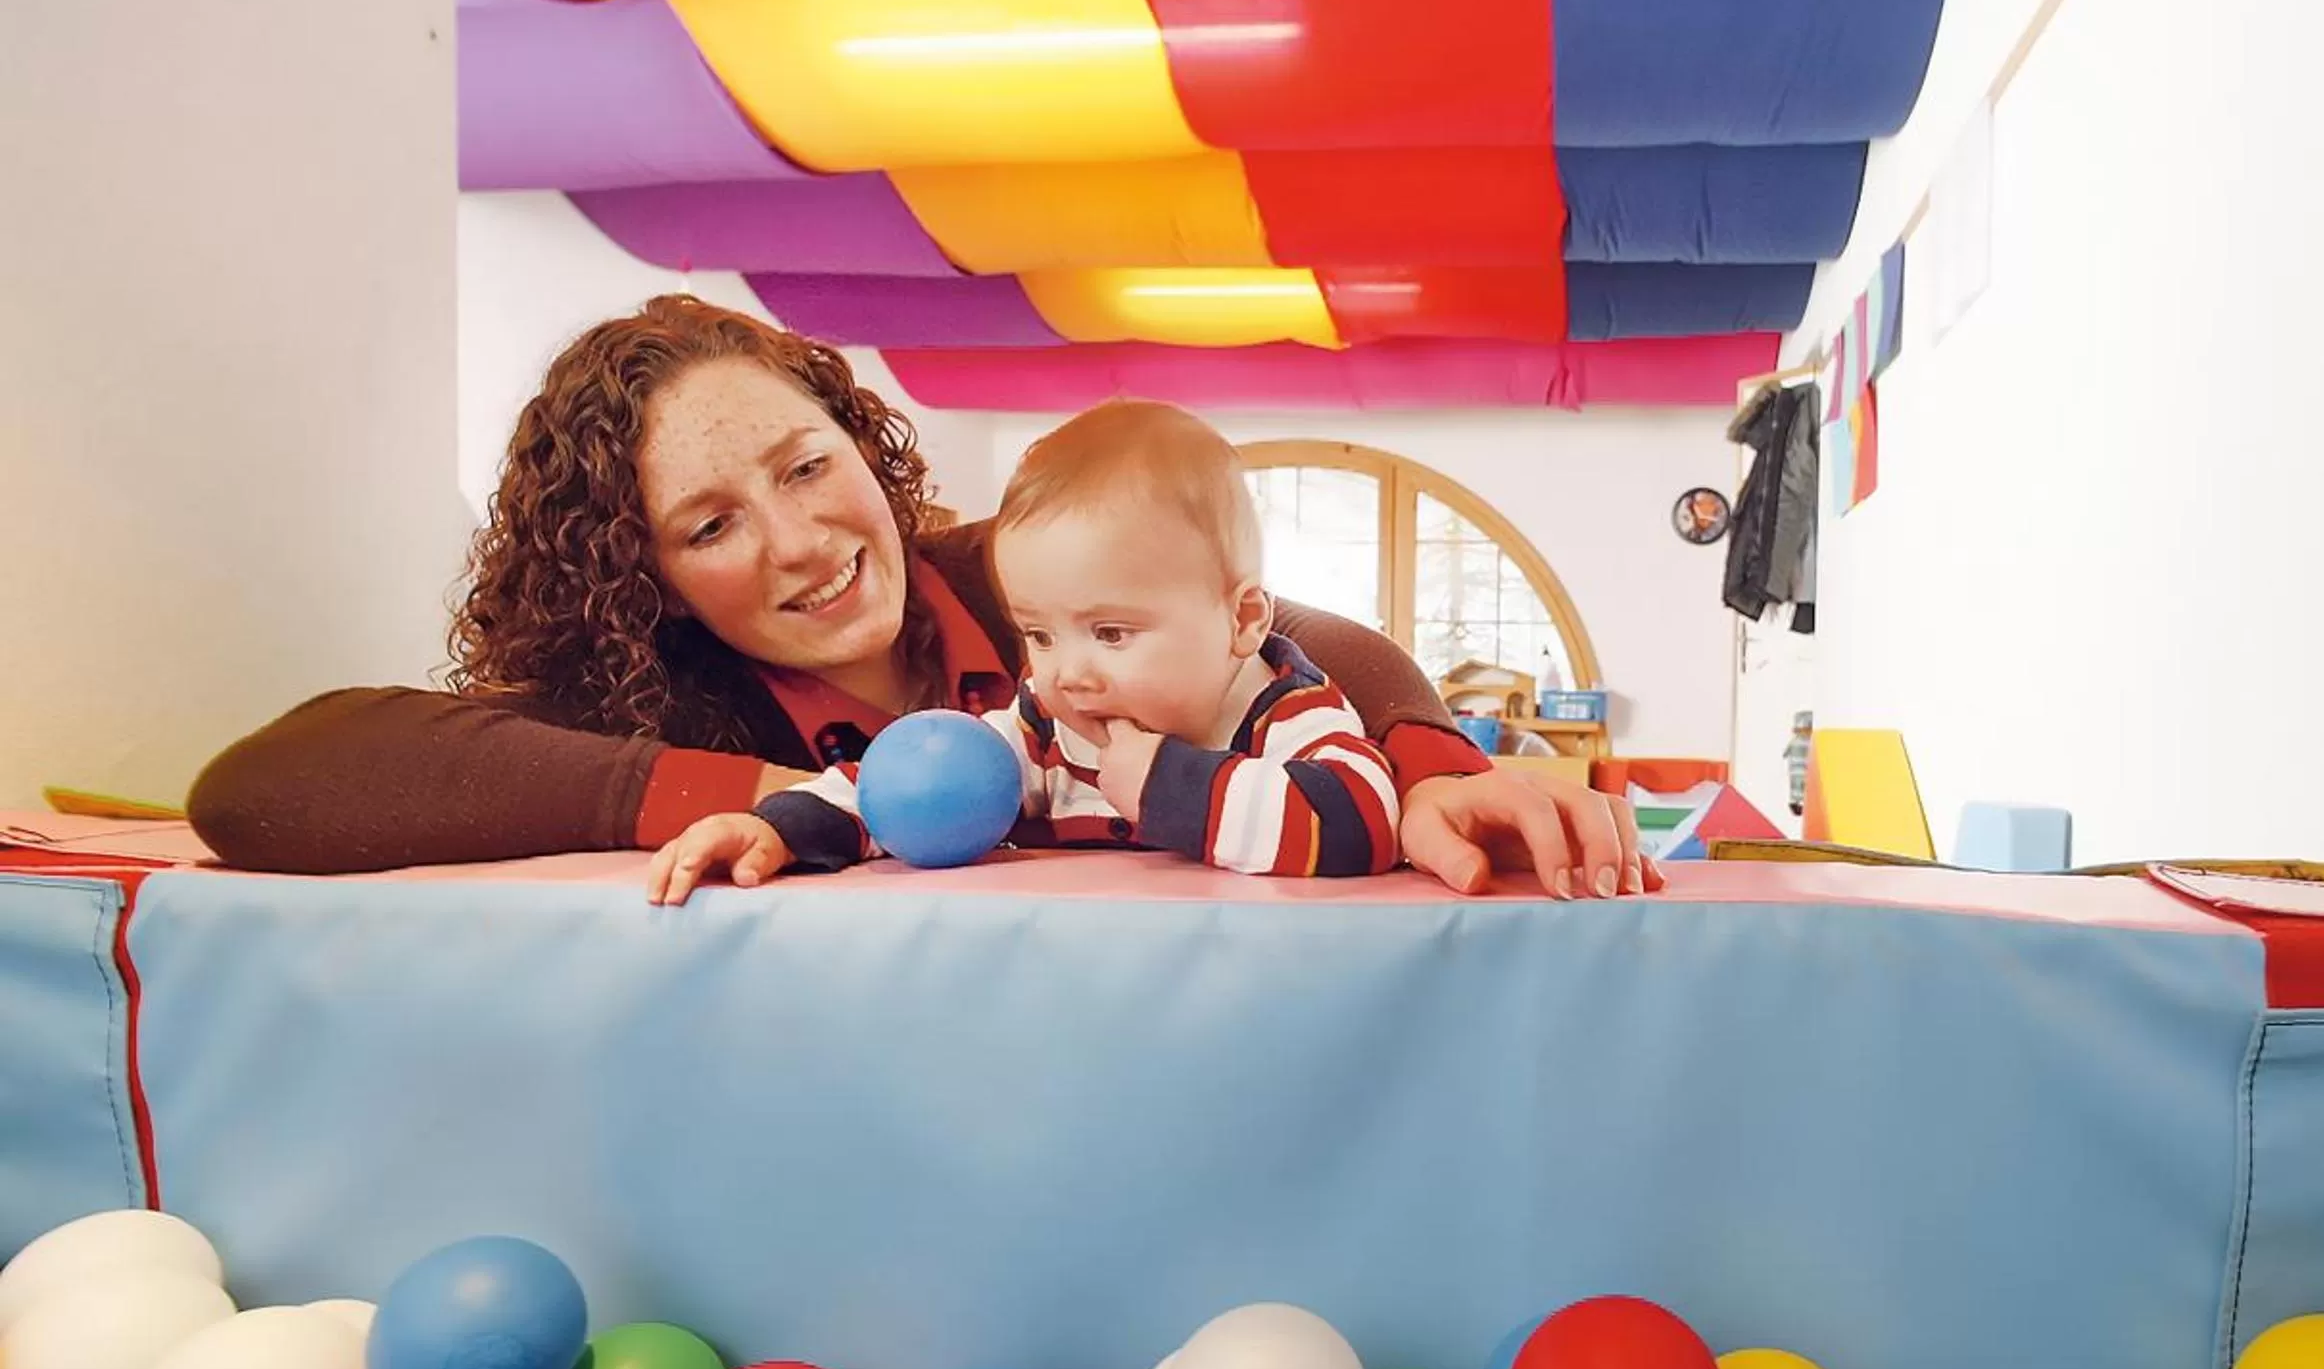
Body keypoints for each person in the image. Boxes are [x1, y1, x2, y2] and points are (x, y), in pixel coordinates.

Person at [185, 295, 1656, 901]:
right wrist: (755, 787)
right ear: (653, 583)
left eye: (807, 466)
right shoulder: (666, 699)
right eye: (709, 524)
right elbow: (272, 784)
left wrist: (1427, 763)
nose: (798, 542)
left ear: (862, 446)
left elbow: (1294, 635)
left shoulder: (1004, 582)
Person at [652, 398, 1401, 896]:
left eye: (1111, 633)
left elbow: (1366, 819)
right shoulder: (1046, 725)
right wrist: (779, 828)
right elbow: (916, 788)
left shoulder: (1286, 714)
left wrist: (1173, 786)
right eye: (1039, 633)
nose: (1066, 673)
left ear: (1241, 621)